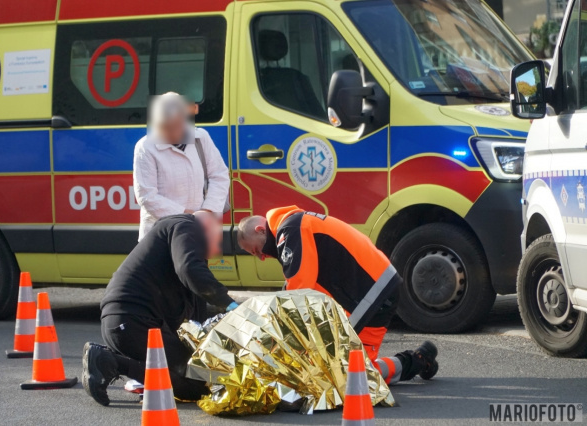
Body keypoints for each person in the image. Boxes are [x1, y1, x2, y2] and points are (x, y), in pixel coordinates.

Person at [237, 206, 438, 385]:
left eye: (256, 250)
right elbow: (302, 286)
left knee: (351, 374)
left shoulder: (290, 230)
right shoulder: (295, 226)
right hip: (374, 289)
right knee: (355, 370)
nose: (262, 257)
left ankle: (416, 361)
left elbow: (299, 291)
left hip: (371, 293)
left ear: (260, 230)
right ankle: (419, 360)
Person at [82, 211, 238, 406]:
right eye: (218, 242)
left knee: (195, 370)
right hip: (133, 322)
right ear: (206, 227)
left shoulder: (172, 240)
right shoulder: (185, 226)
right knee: (196, 385)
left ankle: (110, 360)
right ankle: (110, 362)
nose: (217, 252)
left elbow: (195, 314)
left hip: (127, 323)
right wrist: (229, 304)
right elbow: (190, 269)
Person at [133, 92, 229, 241]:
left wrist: (207, 211)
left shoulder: (201, 138)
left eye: (175, 126)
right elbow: (146, 196)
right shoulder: (145, 147)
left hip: (199, 231)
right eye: (164, 127)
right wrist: (188, 216)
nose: (169, 133)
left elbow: (220, 175)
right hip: (161, 235)